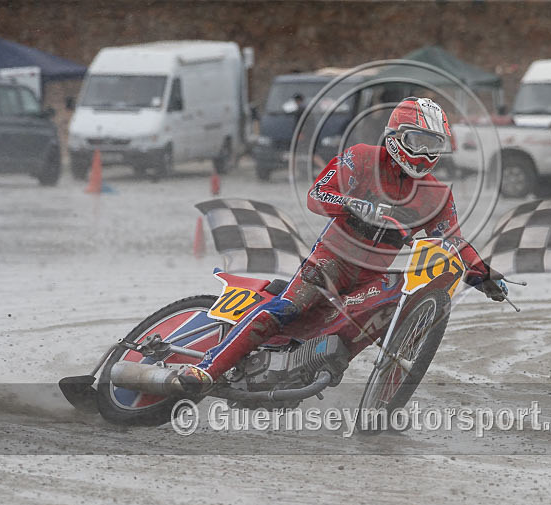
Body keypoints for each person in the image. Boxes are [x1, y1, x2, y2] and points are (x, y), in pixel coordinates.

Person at [176, 97, 509, 393]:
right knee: (287, 308)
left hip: (372, 276)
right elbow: (317, 195)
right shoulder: (361, 158)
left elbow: (453, 241)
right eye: (417, 141)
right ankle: (206, 368)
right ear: (395, 137)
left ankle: (339, 369)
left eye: (432, 144)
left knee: (388, 307)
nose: (424, 152)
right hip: (331, 261)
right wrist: (352, 204)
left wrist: (483, 275)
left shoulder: (436, 195)